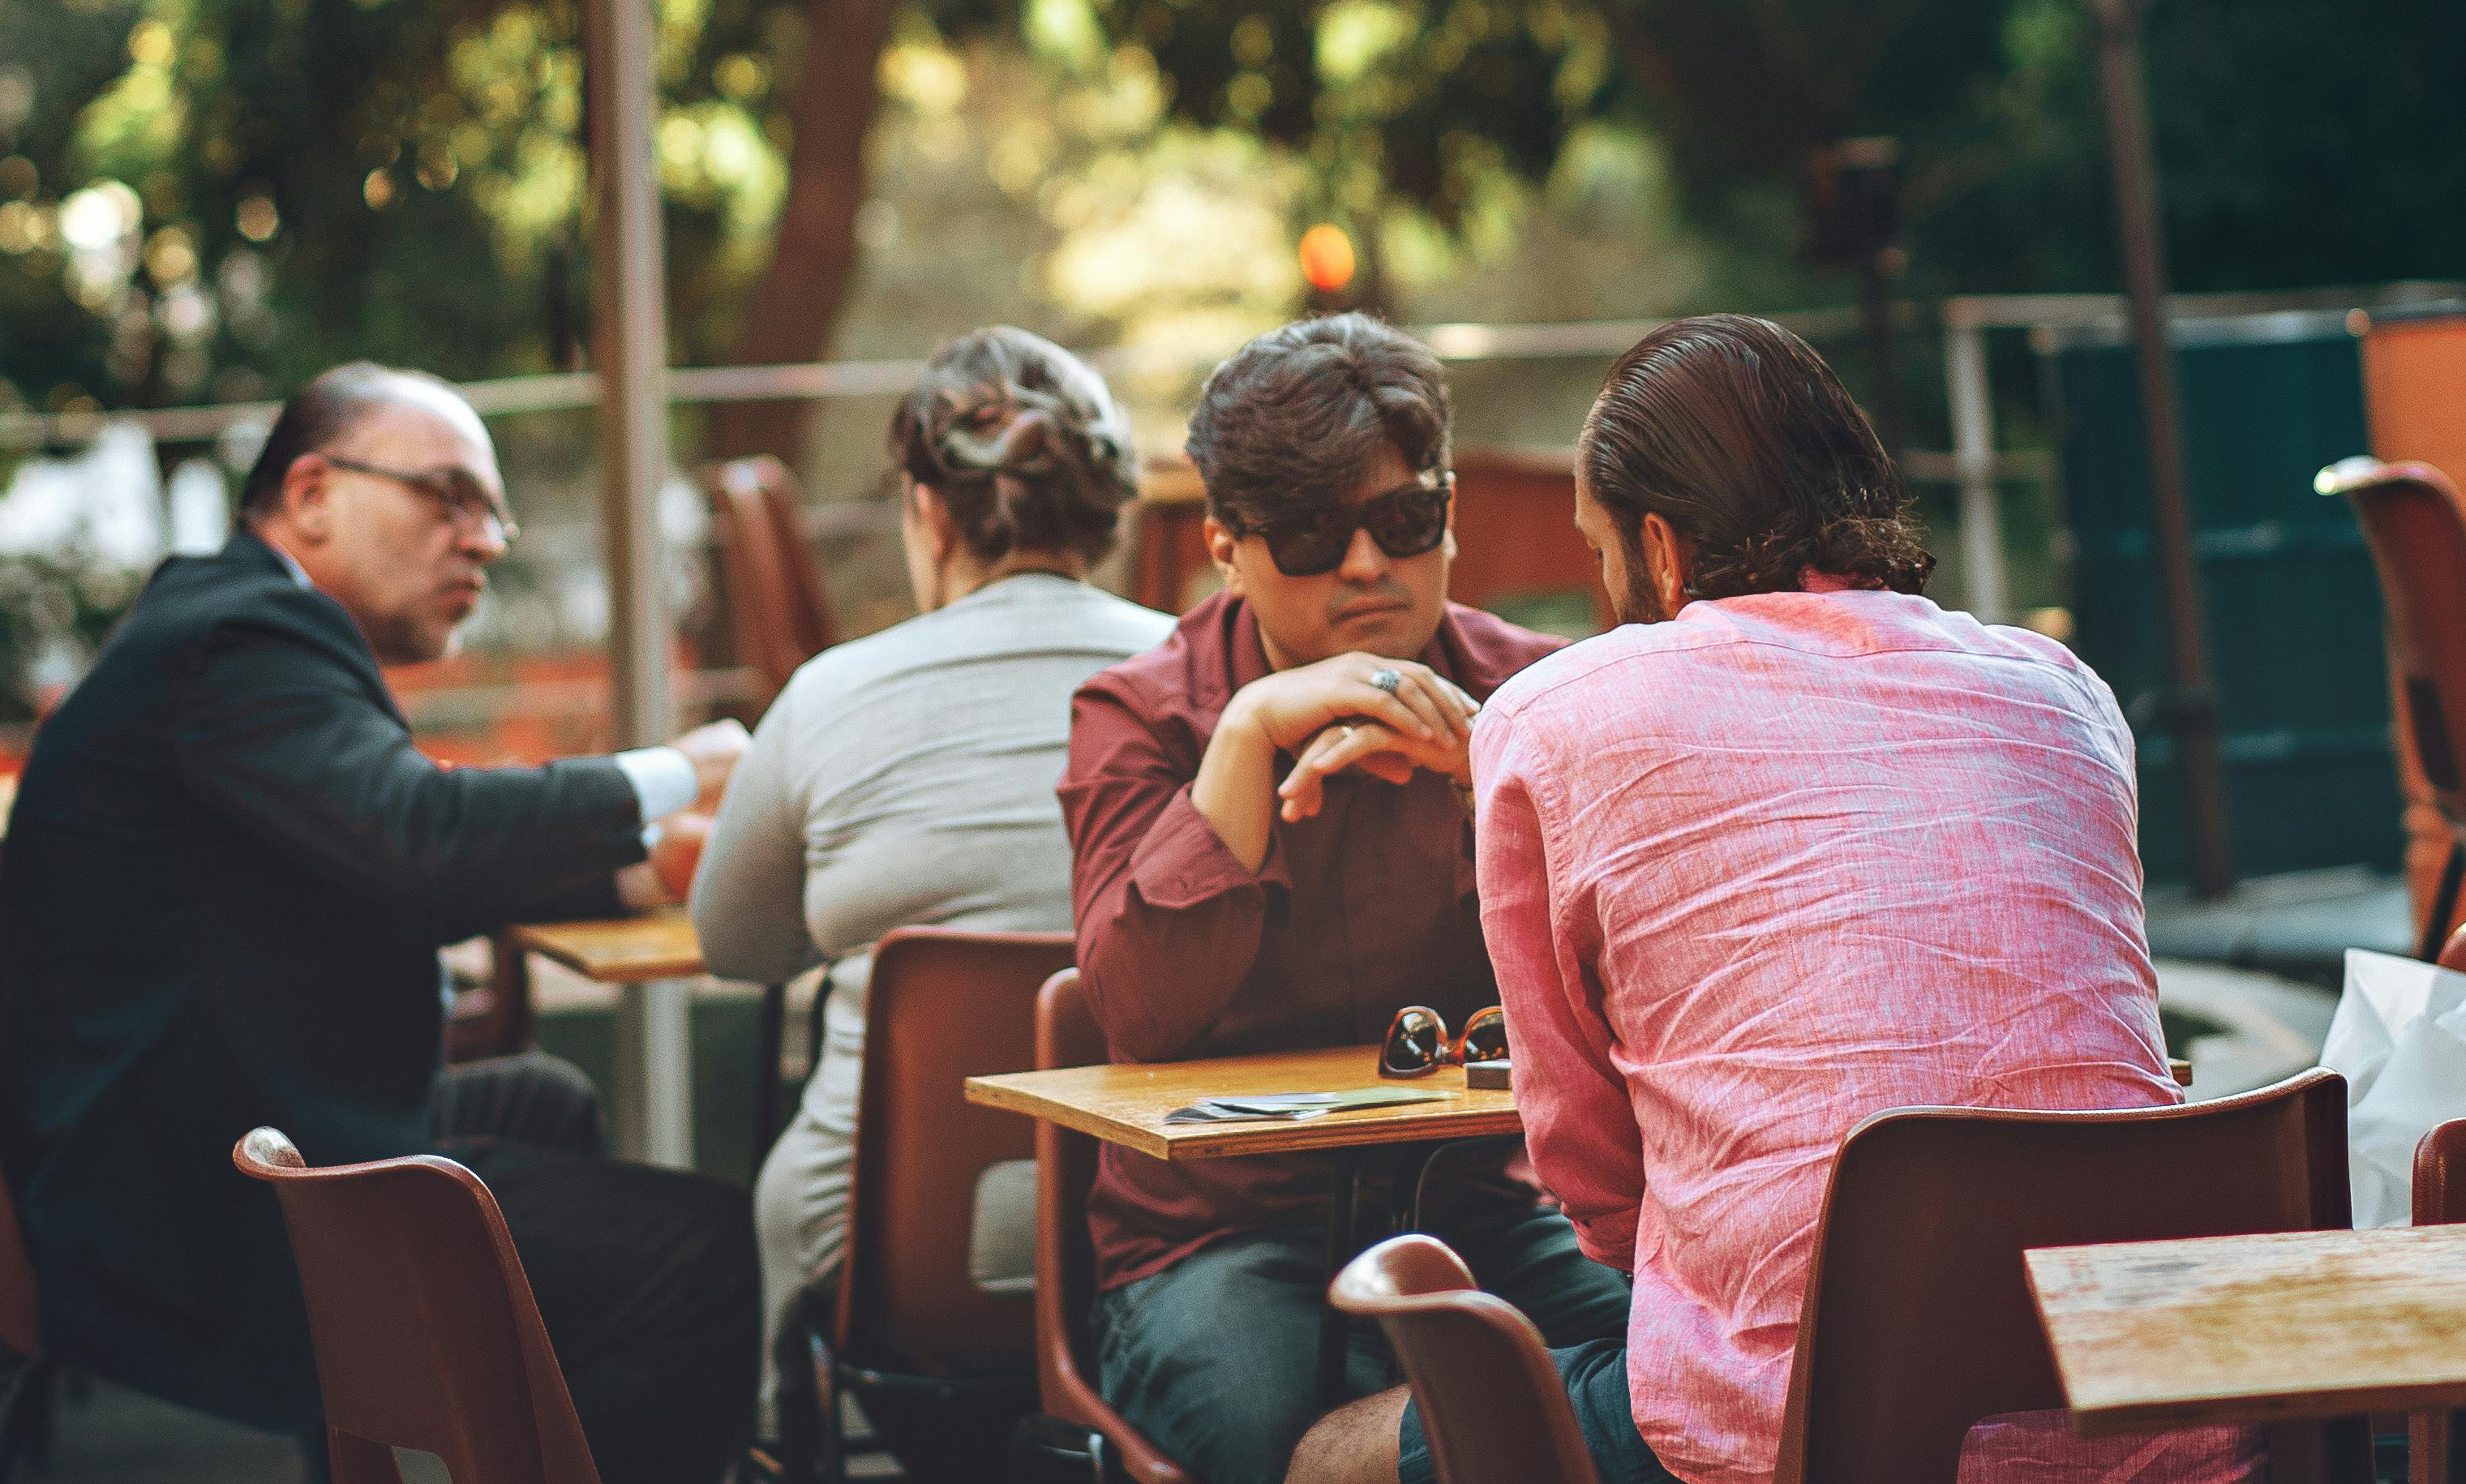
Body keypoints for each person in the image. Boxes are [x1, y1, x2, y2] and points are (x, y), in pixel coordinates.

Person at [1290, 315, 2247, 1484]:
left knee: (1332, 1456)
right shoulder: (2064, 694)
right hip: (2152, 1401)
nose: (1605, 598)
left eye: (1600, 560)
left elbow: (1587, 1163)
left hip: (1803, 1427)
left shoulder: (1556, 715)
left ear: (1662, 547)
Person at [0, 362, 761, 1481]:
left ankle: (501, 1449)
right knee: (705, 1252)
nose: (485, 538)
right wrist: (673, 775)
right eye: (449, 495)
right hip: (195, 1213)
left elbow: (363, 851)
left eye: (493, 509)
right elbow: (414, 832)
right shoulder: (245, 639)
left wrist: (638, 875)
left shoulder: (220, 625)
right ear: (311, 494)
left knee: (543, 1101)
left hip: (174, 1141)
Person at [1061, 314, 1629, 1484]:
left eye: (1405, 520)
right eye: (1314, 537)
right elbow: (1139, 1017)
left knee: (1665, 1380)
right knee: (1268, 1439)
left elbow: (1644, 991)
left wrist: (1498, 781)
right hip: (1218, 1237)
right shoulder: (1139, 713)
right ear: (1226, 549)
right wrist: (1249, 735)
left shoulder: (1539, 690)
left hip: (1486, 1209)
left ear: (1449, 513)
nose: (1368, 565)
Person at [685, 327, 1173, 1467]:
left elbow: (732, 944)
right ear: (1106, 514)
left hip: (883, 1253)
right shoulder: (1207, 682)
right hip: (1153, 1226)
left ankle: (777, 1437)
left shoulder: (828, 698)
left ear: (929, 511)